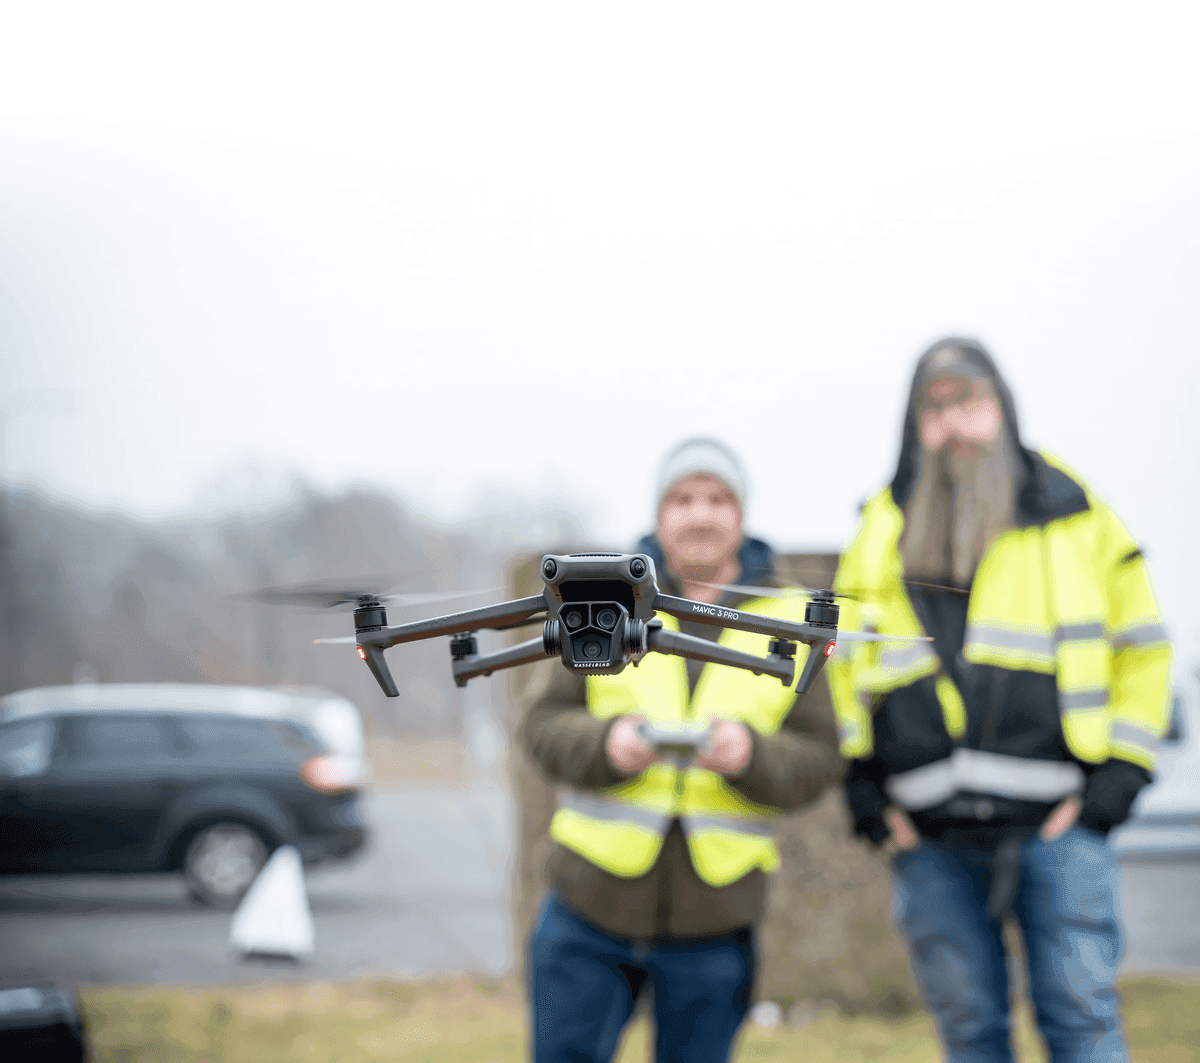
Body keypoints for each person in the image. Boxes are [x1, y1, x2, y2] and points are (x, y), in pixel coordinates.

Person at [827, 339, 1172, 1062]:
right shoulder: (877, 532)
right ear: (913, 423)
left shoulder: (1076, 516)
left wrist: (1120, 778)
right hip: (929, 839)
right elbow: (847, 663)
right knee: (972, 1036)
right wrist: (863, 782)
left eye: (969, 402)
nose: (954, 423)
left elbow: (1142, 651)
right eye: (936, 407)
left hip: (1060, 825)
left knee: (1082, 1023)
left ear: (1003, 410)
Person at [522, 437, 844, 1063]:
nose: (701, 513)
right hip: (586, 910)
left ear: (742, 515)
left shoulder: (791, 617)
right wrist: (605, 747)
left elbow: (821, 756)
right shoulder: (601, 598)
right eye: (684, 498)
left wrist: (751, 757)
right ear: (659, 514)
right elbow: (541, 724)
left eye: (718, 498)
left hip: (716, 922)